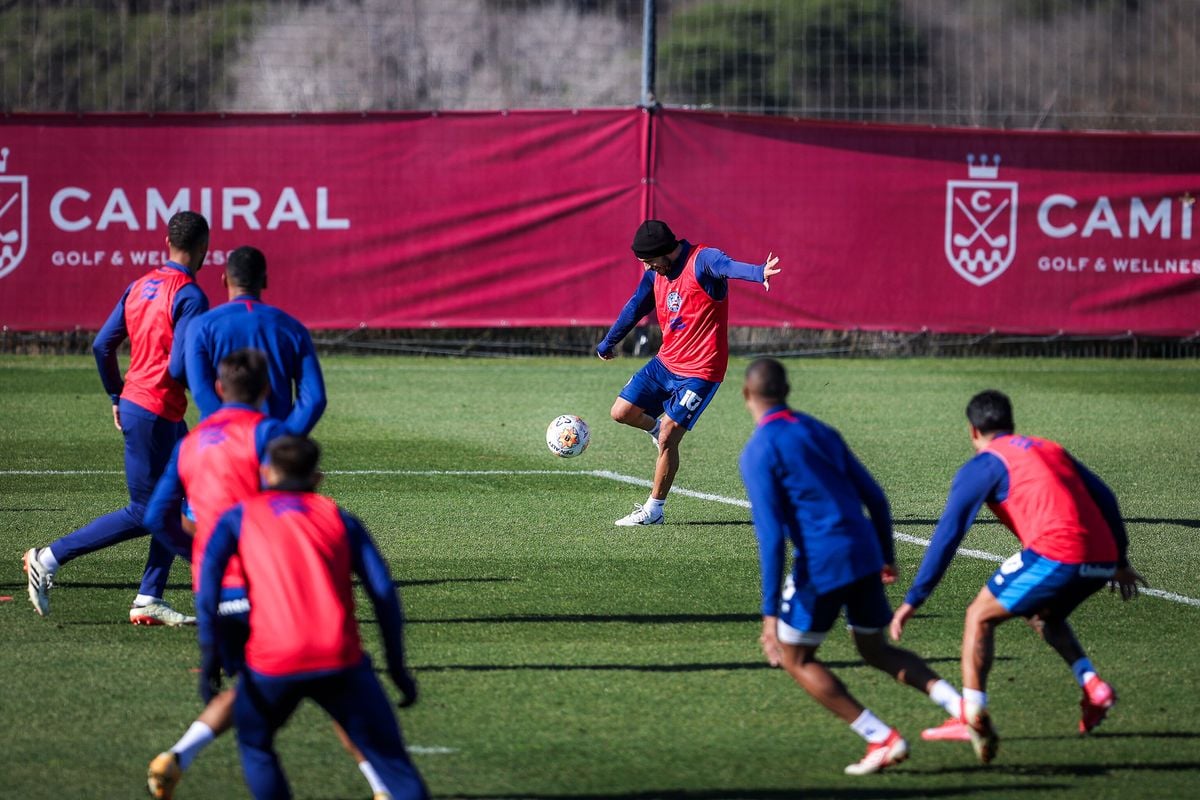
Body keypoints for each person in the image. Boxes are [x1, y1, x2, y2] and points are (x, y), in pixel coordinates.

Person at [143, 350, 391, 800]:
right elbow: (289, 509)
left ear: (218, 389)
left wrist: (200, 551)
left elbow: (157, 516)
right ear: (267, 389)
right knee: (330, 680)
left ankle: (179, 755)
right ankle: (383, 786)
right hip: (268, 583)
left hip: (214, 588)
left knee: (257, 687)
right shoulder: (269, 433)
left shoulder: (193, 441)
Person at [889, 389, 1147, 764]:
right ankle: (1092, 685)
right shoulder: (1048, 447)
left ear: (973, 430)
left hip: (1059, 553)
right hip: (1102, 555)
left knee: (979, 615)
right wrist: (1119, 558)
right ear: (1011, 424)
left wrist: (915, 598)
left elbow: (949, 533)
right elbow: (1105, 496)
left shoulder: (984, 465)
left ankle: (972, 714)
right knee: (1043, 615)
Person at [739, 358, 965, 775]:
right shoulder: (819, 430)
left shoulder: (758, 450)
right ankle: (960, 706)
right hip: (863, 551)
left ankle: (881, 737)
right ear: (787, 390)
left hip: (823, 562)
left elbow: (771, 539)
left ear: (746, 395)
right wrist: (886, 556)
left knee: (796, 658)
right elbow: (876, 498)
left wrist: (769, 614)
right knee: (874, 647)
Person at [197, 436, 428, 800]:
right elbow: (383, 594)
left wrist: (211, 658)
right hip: (341, 660)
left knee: (256, 745)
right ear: (317, 478)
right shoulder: (341, 519)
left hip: (273, 662)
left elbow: (207, 590)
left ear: (266, 473)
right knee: (393, 764)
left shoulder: (239, 516)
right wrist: (397, 668)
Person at [24, 210, 210, 625]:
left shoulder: (140, 284)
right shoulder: (191, 295)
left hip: (145, 406)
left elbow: (101, 345)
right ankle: (49, 557)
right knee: (149, 512)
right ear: (204, 249)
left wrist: (115, 393)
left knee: (183, 495)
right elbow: (181, 366)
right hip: (154, 409)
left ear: (166, 242)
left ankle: (148, 596)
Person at [598, 219, 781, 526]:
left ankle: (654, 510)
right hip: (666, 363)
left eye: (647, 260)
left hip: (702, 371)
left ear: (662, 252)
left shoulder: (703, 260)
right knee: (621, 412)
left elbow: (728, 266)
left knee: (670, 435)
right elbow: (635, 306)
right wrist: (608, 342)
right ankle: (655, 430)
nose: (646, 266)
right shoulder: (655, 273)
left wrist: (758, 272)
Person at [182, 245, 326, 435]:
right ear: (264, 281)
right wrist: (283, 439)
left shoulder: (201, 326)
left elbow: (201, 391)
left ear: (224, 280)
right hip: (273, 453)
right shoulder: (292, 328)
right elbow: (314, 398)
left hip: (222, 445)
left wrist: (229, 435)